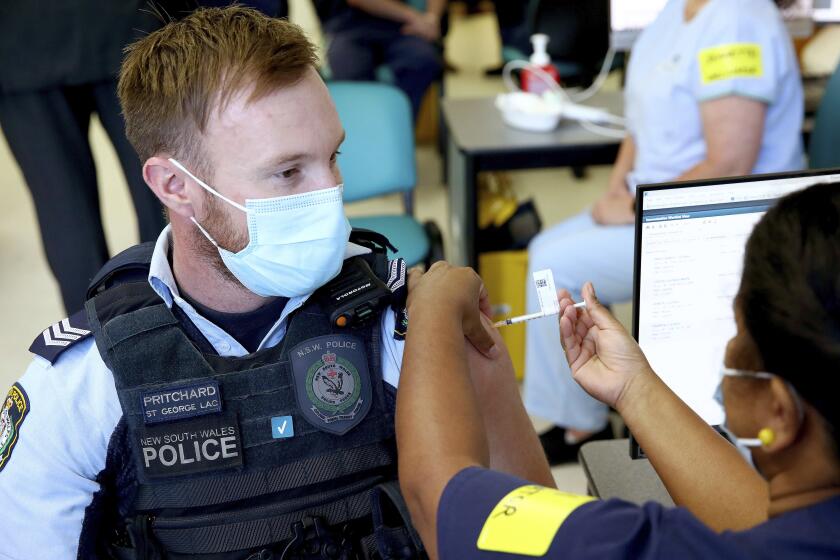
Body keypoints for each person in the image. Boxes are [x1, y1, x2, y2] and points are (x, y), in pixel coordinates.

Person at [0, 7, 478, 558]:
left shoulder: (404, 323)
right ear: (175, 185)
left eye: (333, 158)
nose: (332, 195)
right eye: (288, 172)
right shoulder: (82, 389)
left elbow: (487, 524)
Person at [397, 183, 840, 559]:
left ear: (779, 413)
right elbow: (757, 518)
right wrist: (633, 387)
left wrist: (433, 308)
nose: (727, 350)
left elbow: (439, 502)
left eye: (736, 333)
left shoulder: (649, 546)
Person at [524, 0, 806, 463]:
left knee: (554, 266)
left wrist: (635, 207)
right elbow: (640, 122)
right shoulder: (673, 15)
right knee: (545, 250)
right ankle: (586, 415)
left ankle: (582, 424)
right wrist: (619, 184)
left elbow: (730, 162)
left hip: (723, 217)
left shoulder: (736, 19)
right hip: (660, 199)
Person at [0, 1, 169, 313]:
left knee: (63, 211)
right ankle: (175, 326)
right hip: (125, 23)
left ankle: (95, 341)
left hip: (19, 38)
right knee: (163, 190)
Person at [317, 0, 445, 118]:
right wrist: (415, 18)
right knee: (348, 69)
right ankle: (361, 130)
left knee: (422, 60)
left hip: (400, 27)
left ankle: (399, 126)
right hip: (348, 25)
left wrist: (432, 18)